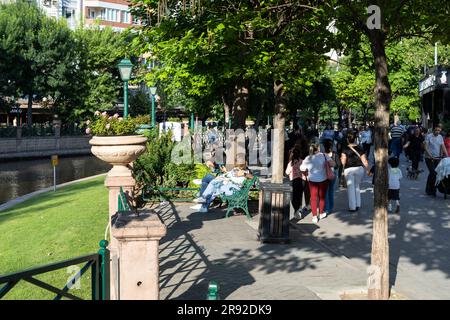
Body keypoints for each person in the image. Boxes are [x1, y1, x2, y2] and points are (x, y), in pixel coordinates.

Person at [300, 143, 336, 224]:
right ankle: (321, 213)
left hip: (312, 180)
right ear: (318, 148)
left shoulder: (308, 158)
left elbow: (302, 168)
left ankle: (314, 216)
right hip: (323, 179)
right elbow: (333, 164)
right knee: (321, 197)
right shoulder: (324, 156)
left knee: (313, 198)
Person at [340, 132, 370, 212]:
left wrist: (342, 160)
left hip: (349, 169)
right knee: (357, 186)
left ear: (347, 139)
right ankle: (358, 205)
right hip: (359, 169)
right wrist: (368, 170)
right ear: (355, 139)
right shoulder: (360, 148)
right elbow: (364, 160)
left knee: (350, 188)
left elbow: (343, 162)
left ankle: (352, 207)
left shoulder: (345, 149)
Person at [424, 126, 448, 196]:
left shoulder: (440, 137)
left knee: (435, 174)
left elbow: (443, 146)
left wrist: (447, 156)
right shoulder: (429, 136)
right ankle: (430, 189)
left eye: (439, 130)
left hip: (437, 158)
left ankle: (431, 189)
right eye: (436, 130)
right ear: (433, 130)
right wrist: (430, 156)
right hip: (429, 158)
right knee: (433, 173)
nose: (437, 132)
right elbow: (425, 147)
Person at [285, 147, 305, 219]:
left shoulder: (291, 163)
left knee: (293, 197)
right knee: (299, 196)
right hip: (301, 180)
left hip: (293, 181)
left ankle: (296, 210)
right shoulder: (302, 161)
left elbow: (287, 172)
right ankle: (298, 210)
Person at [323, 139, 339, 215]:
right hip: (333, 173)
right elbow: (338, 164)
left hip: (325, 174)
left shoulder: (322, 154)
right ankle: (331, 207)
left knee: (326, 191)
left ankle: (326, 208)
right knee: (331, 190)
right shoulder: (335, 154)